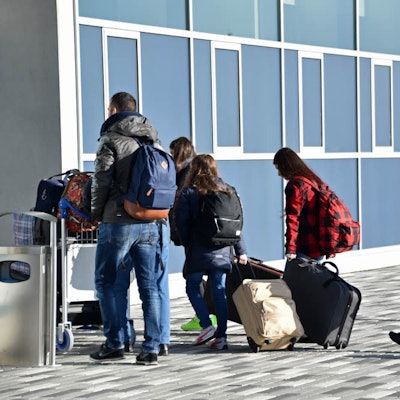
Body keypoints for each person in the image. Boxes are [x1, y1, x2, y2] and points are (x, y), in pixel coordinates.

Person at [90, 91, 164, 365]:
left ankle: (115, 343)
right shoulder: (153, 139)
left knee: (106, 282)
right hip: (149, 221)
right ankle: (152, 347)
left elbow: (101, 180)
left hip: (118, 221)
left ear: (114, 110)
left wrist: (96, 214)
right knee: (149, 286)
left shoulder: (111, 139)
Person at [174, 154, 248, 350]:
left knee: (192, 286)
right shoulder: (228, 189)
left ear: (193, 169)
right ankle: (221, 337)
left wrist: (186, 242)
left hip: (199, 246)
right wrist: (241, 250)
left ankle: (206, 325)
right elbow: (236, 223)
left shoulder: (190, 191)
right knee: (219, 292)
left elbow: (181, 221)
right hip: (223, 248)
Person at [169, 137, 217, 332]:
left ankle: (203, 315)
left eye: (172, 152)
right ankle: (209, 314)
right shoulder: (199, 170)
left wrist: (179, 234)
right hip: (207, 234)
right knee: (210, 275)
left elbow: (180, 207)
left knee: (192, 275)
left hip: (195, 236)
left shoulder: (186, 174)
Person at [273, 147, 333, 262]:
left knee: (295, 274)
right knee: (314, 273)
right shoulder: (314, 181)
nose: (279, 174)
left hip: (305, 246)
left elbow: (293, 218)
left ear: (286, 166)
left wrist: (291, 248)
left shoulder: (296, 185)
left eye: (279, 169)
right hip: (319, 246)